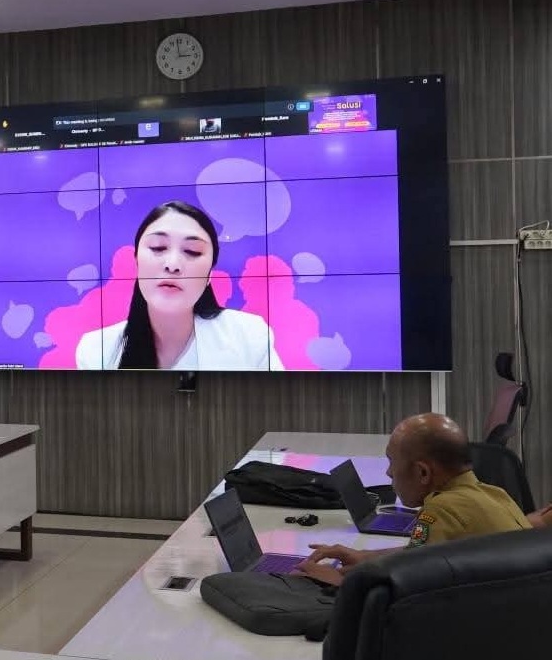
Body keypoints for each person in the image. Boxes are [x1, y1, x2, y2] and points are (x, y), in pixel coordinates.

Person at [297, 413, 531, 586]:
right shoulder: (496, 494)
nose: (388, 473)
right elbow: (417, 553)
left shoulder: (439, 510)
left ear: (423, 473)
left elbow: (412, 593)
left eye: (392, 462)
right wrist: (366, 559)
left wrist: (339, 581)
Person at [75, 201, 284, 371]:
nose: (173, 264)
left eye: (192, 251)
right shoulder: (97, 351)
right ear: (136, 261)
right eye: (158, 248)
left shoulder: (248, 336)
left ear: (210, 274)